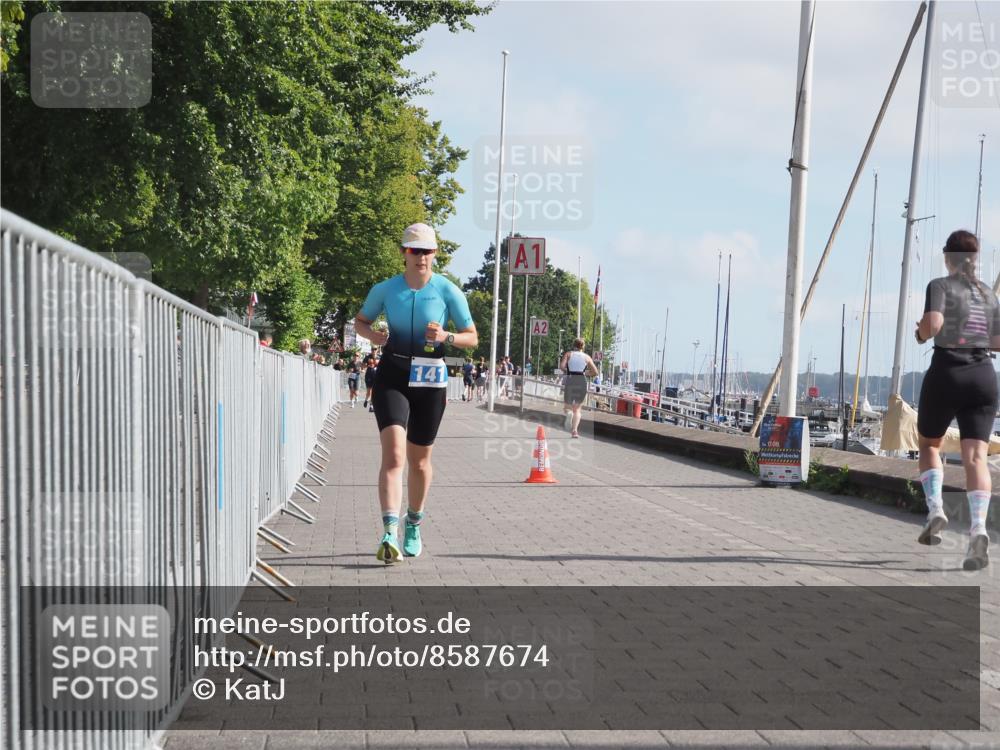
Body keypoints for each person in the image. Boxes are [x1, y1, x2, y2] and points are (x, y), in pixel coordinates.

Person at [354, 223, 478, 563]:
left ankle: (414, 522)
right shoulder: (385, 289)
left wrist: (447, 338)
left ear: (435, 254)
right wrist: (372, 336)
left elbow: (472, 337)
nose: (420, 257)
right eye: (414, 250)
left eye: (426, 251)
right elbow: (361, 321)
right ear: (403, 253)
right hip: (393, 375)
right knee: (394, 455)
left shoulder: (448, 290)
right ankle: (389, 532)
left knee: (420, 462)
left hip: (430, 378)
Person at [914, 230, 999, 570]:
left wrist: (920, 332)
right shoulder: (988, 295)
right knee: (976, 457)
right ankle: (978, 528)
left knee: (929, 444)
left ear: (948, 258)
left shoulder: (940, 285)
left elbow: (933, 325)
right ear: (975, 260)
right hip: (983, 378)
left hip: (947, 372)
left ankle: (935, 508)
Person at [560, 338, 599, 438]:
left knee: (567, 407)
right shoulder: (587, 357)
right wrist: (585, 373)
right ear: (583, 346)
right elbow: (595, 372)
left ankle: (569, 413)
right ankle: (574, 431)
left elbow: (562, 366)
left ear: (574, 345)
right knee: (577, 409)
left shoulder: (568, 354)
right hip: (581, 380)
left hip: (571, 379)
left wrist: (568, 370)